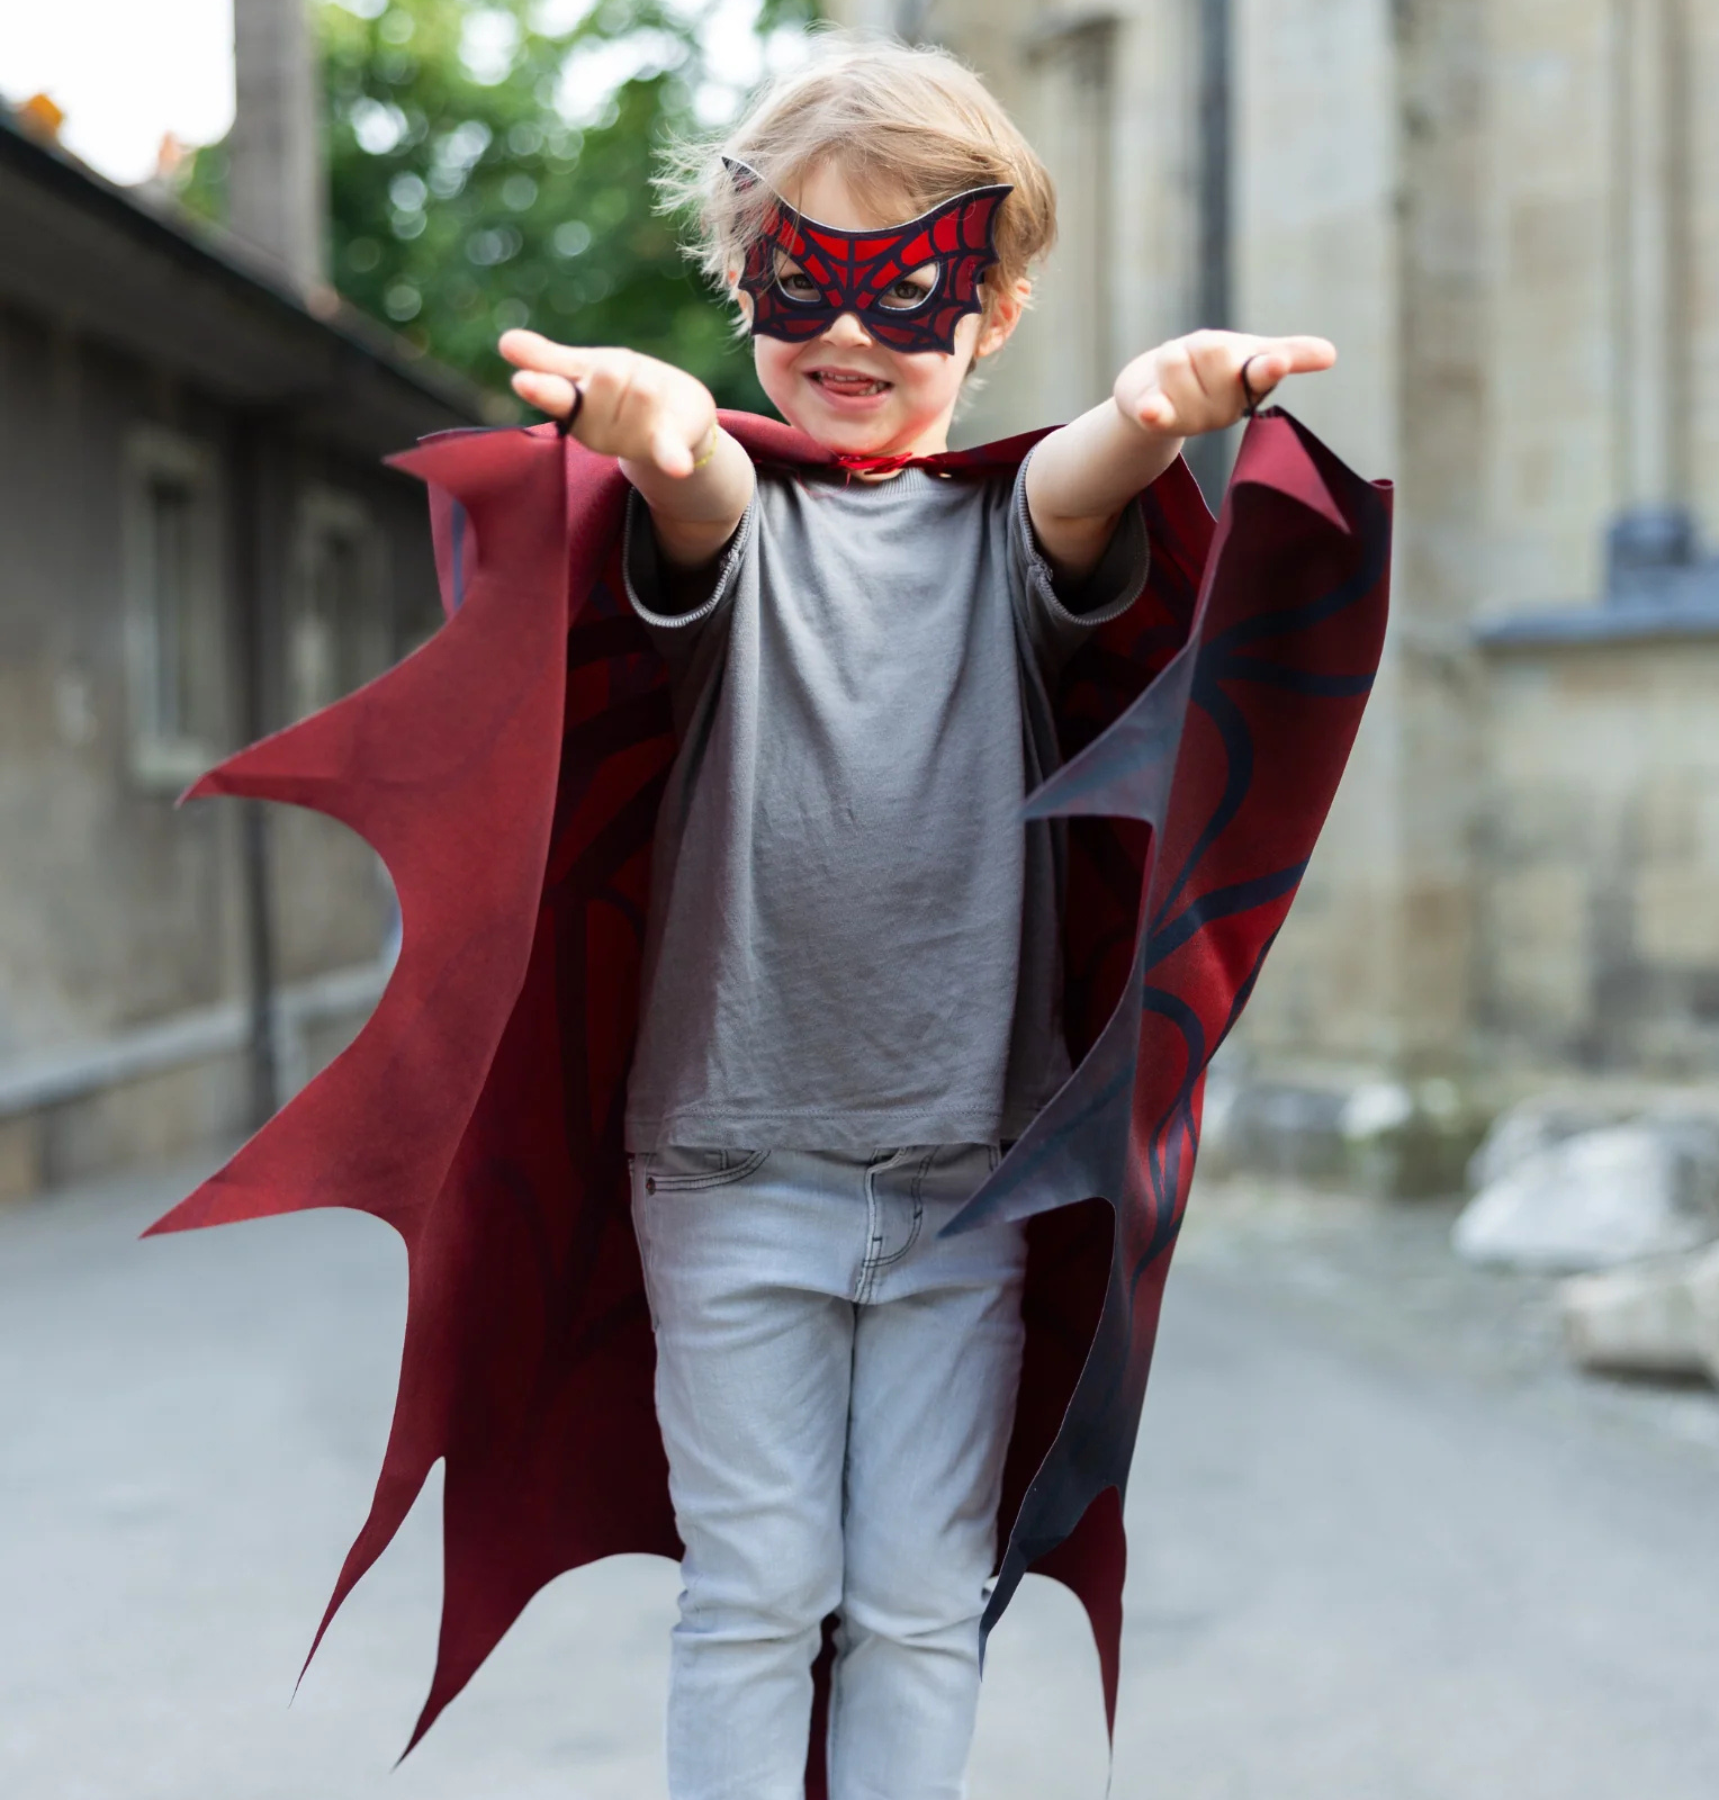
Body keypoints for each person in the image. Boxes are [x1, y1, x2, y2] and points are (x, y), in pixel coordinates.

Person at [491, 35, 1337, 1800]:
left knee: (918, 1601)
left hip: (966, 1178)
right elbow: (701, 492)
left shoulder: (1010, 531)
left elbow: (1074, 489)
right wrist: (656, 429)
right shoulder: (733, 517)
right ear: (744, 283)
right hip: (729, 1167)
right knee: (755, 1591)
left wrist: (1154, 411)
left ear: (996, 307)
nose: (852, 332)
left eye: (911, 284)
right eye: (803, 278)